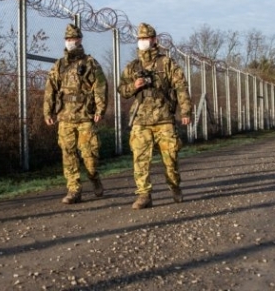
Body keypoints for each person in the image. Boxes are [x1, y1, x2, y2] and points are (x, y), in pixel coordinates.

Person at [118, 22, 192, 209]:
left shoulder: (166, 63)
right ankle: (144, 195)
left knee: (170, 159)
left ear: (154, 40)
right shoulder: (133, 66)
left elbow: (181, 86)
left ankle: (174, 186)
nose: (143, 42)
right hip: (141, 119)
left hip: (164, 117)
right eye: (140, 39)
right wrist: (134, 86)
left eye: (146, 38)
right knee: (140, 158)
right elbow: (122, 89)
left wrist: (186, 111)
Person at [43, 23, 108, 204]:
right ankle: (74, 190)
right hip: (65, 117)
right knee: (68, 154)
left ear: (80, 40)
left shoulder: (90, 63)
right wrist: (48, 112)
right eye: (68, 39)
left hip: (85, 116)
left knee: (89, 156)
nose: (71, 42)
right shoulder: (59, 65)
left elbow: (100, 87)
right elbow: (50, 89)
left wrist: (100, 109)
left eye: (74, 39)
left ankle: (94, 178)